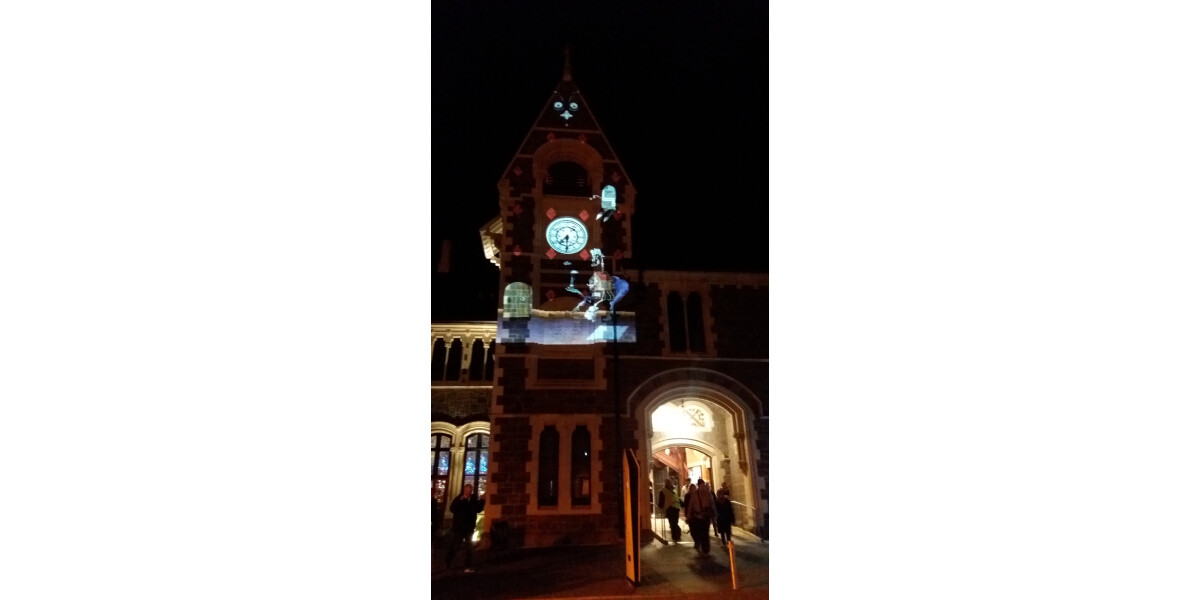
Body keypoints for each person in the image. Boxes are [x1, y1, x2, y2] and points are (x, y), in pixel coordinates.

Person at [444, 483, 485, 573]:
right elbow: (452, 509)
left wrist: (482, 501)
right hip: (459, 527)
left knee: (469, 548)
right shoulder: (459, 499)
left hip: (469, 527)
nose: (468, 492)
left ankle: (467, 566)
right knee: (455, 546)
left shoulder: (473, 500)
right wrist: (461, 501)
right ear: (464, 490)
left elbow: (478, 509)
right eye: (467, 490)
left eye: (470, 490)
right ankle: (448, 562)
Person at [685, 479, 717, 556]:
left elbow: (712, 504)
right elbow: (691, 505)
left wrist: (714, 514)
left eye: (703, 485)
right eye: (701, 485)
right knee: (698, 532)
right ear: (699, 486)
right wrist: (688, 516)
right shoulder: (694, 494)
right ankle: (700, 544)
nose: (703, 487)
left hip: (705, 517)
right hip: (697, 517)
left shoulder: (708, 494)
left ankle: (705, 549)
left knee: (705, 533)